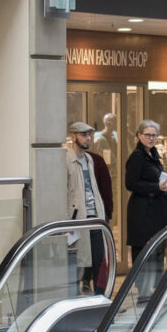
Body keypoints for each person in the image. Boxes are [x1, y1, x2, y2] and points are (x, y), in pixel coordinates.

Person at [125, 119, 167, 292]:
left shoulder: (154, 155)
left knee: (157, 250)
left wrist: (165, 187)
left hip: (156, 211)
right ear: (139, 136)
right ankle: (143, 290)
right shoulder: (137, 157)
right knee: (144, 251)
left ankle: (153, 289)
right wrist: (156, 187)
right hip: (142, 213)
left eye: (154, 135)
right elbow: (130, 183)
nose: (151, 138)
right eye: (147, 135)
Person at [66, 121, 110, 294]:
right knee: (79, 261)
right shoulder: (67, 160)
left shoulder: (90, 160)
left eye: (89, 135)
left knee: (99, 259)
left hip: (95, 217)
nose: (88, 138)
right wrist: (67, 219)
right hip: (78, 219)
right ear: (73, 137)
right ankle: (75, 297)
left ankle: (100, 295)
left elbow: (95, 189)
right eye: (84, 135)